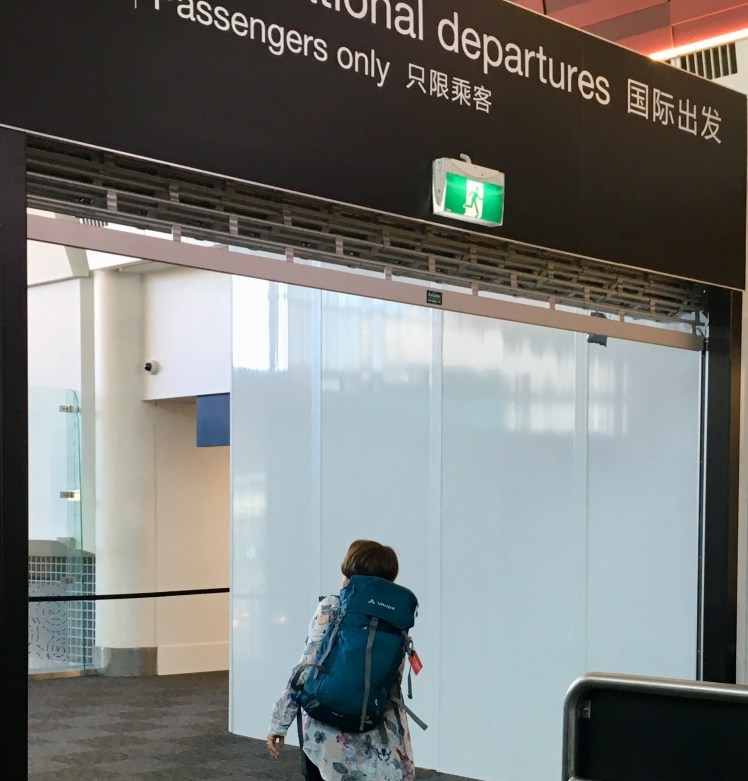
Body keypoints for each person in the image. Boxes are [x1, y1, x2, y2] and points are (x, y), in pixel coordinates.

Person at [267, 539, 416, 781]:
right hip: (378, 728)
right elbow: (393, 680)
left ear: (349, 568)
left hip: (328, 727)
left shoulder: (333, 605)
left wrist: (279, 722)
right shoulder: (397, 615)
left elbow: (307, 665)